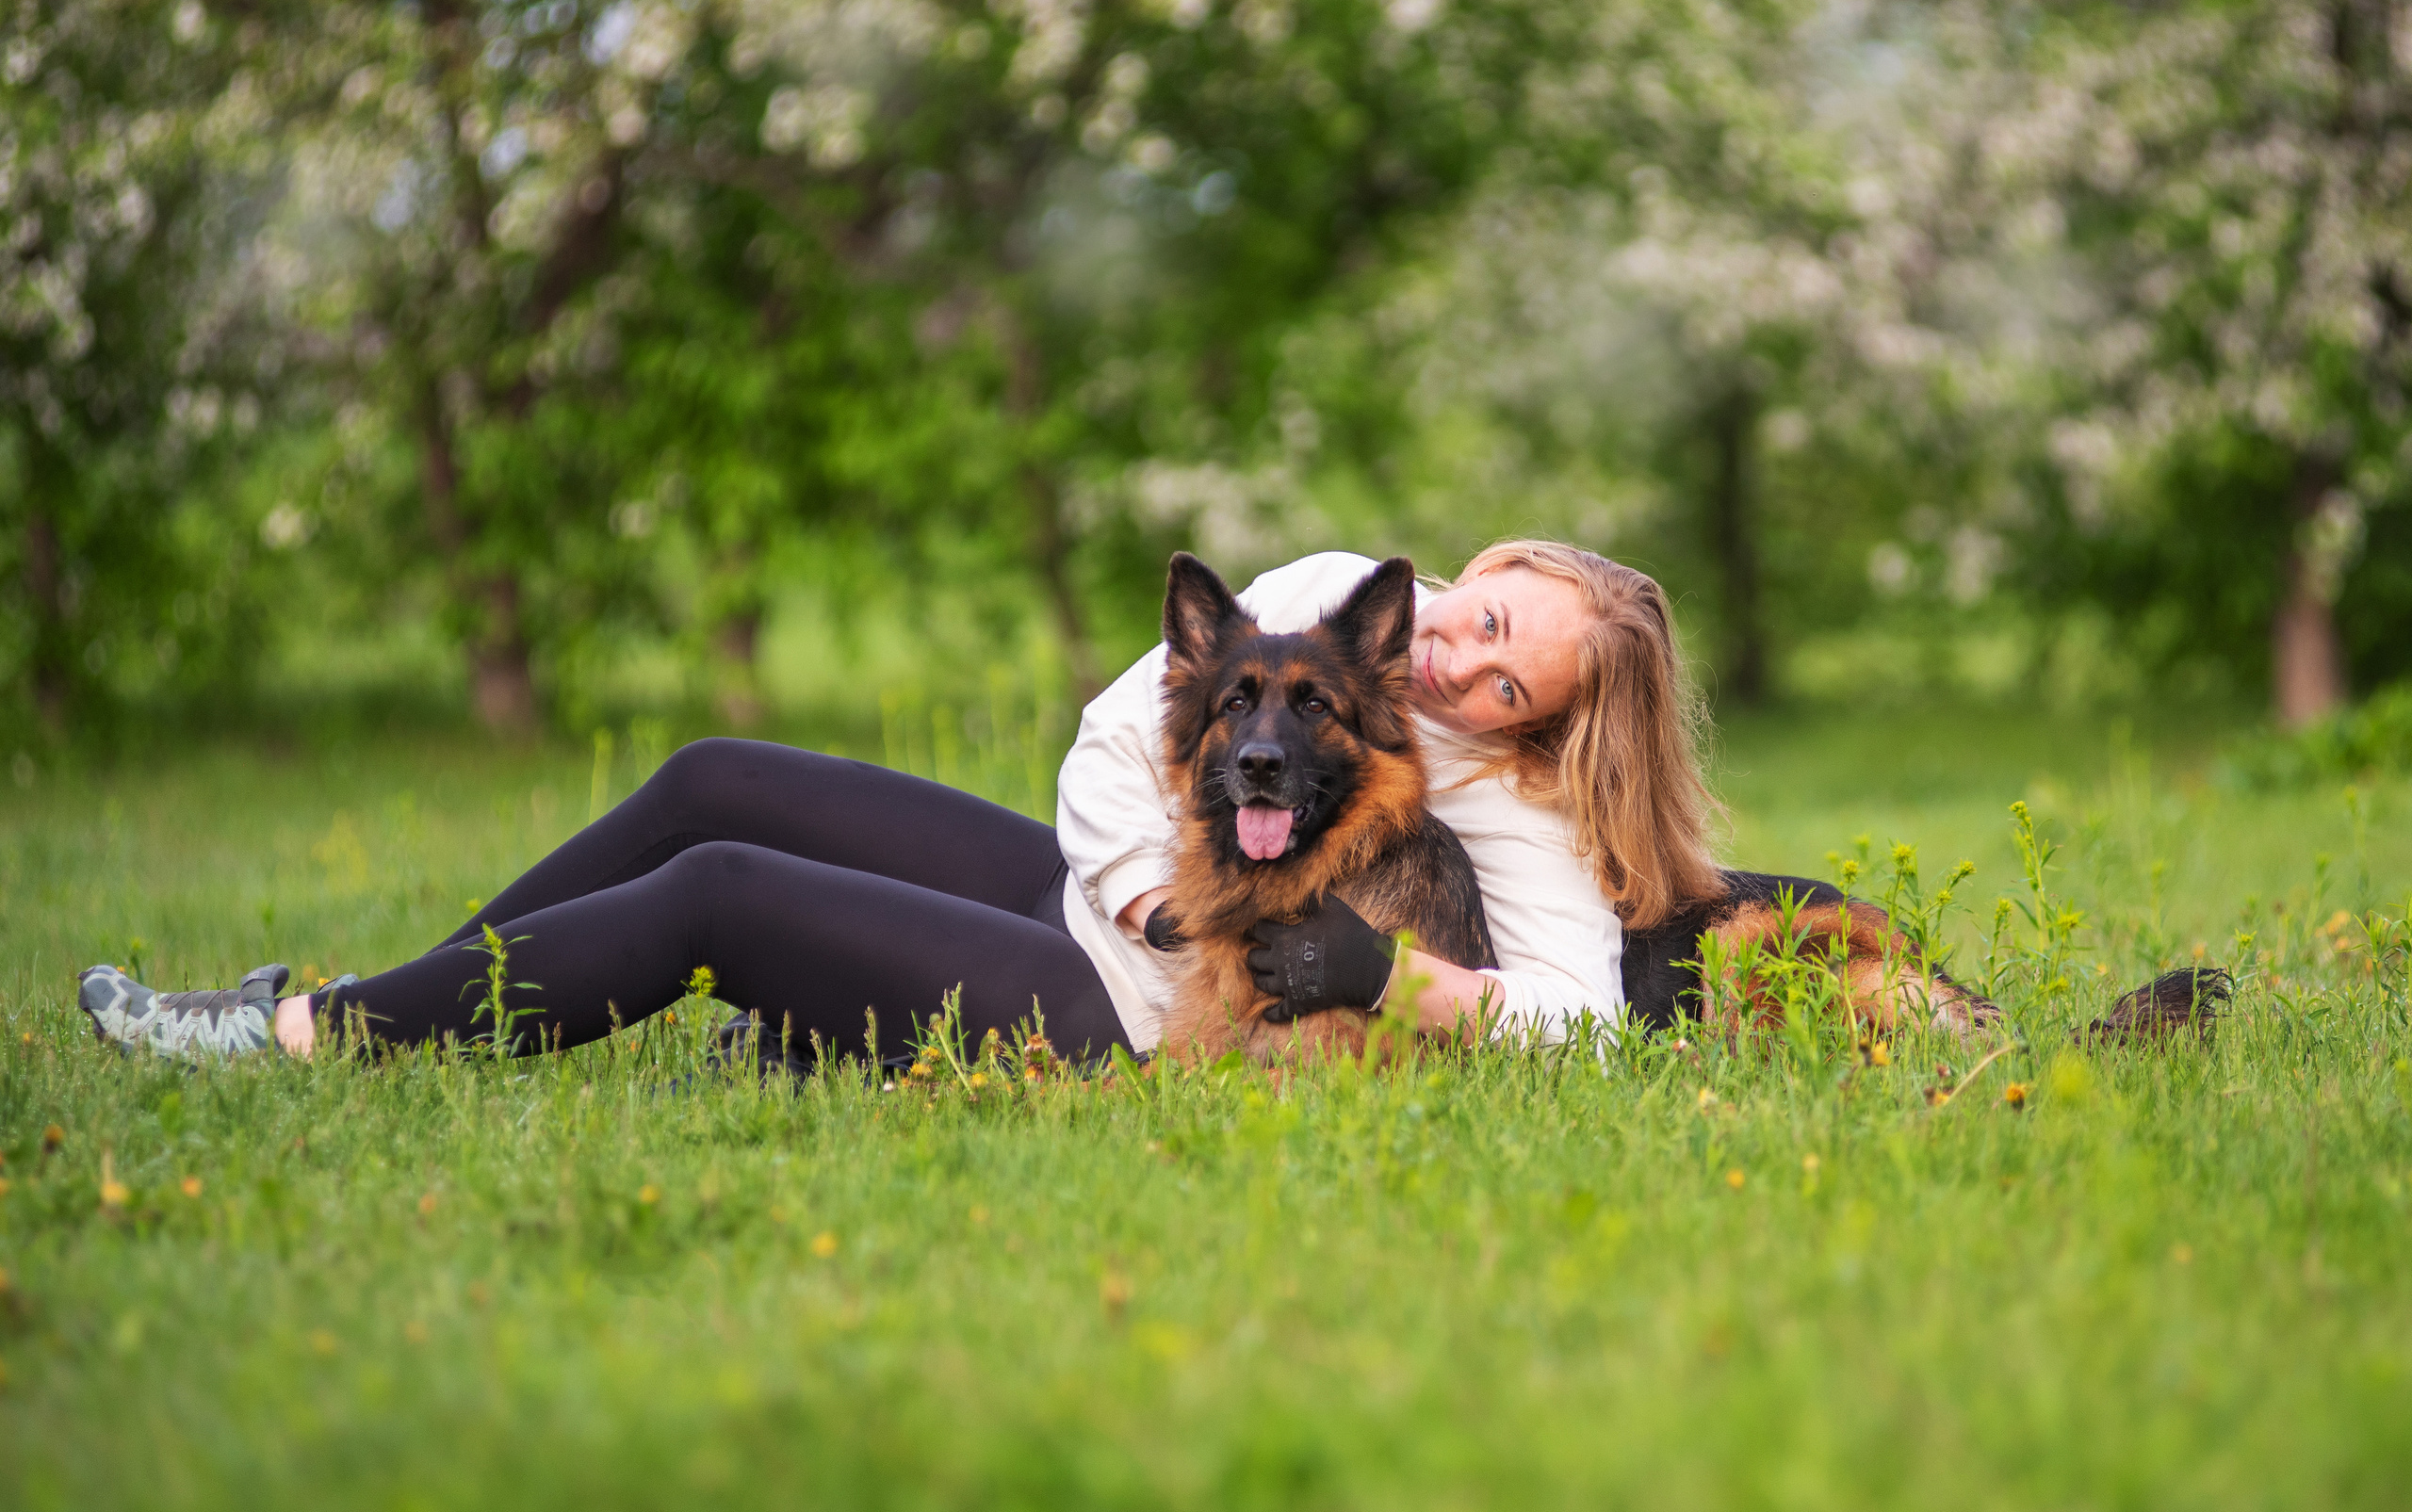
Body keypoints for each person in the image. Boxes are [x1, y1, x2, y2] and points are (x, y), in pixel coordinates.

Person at [78, 544, 1722, 1065]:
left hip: (1124, 1018)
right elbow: (1111, 743)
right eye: (1485, 619)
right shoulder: (1337, 603)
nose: (1462, 664)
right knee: (716, 778)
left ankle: (298, 1038)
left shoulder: (1516, 799)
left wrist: (1387, 977)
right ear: (1478, 569)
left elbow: (1583, 1025)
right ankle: (407, 996)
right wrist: (1152, 890)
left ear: (1549, 725)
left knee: (722, 896)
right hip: (1103, 909)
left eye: (1511, 681)